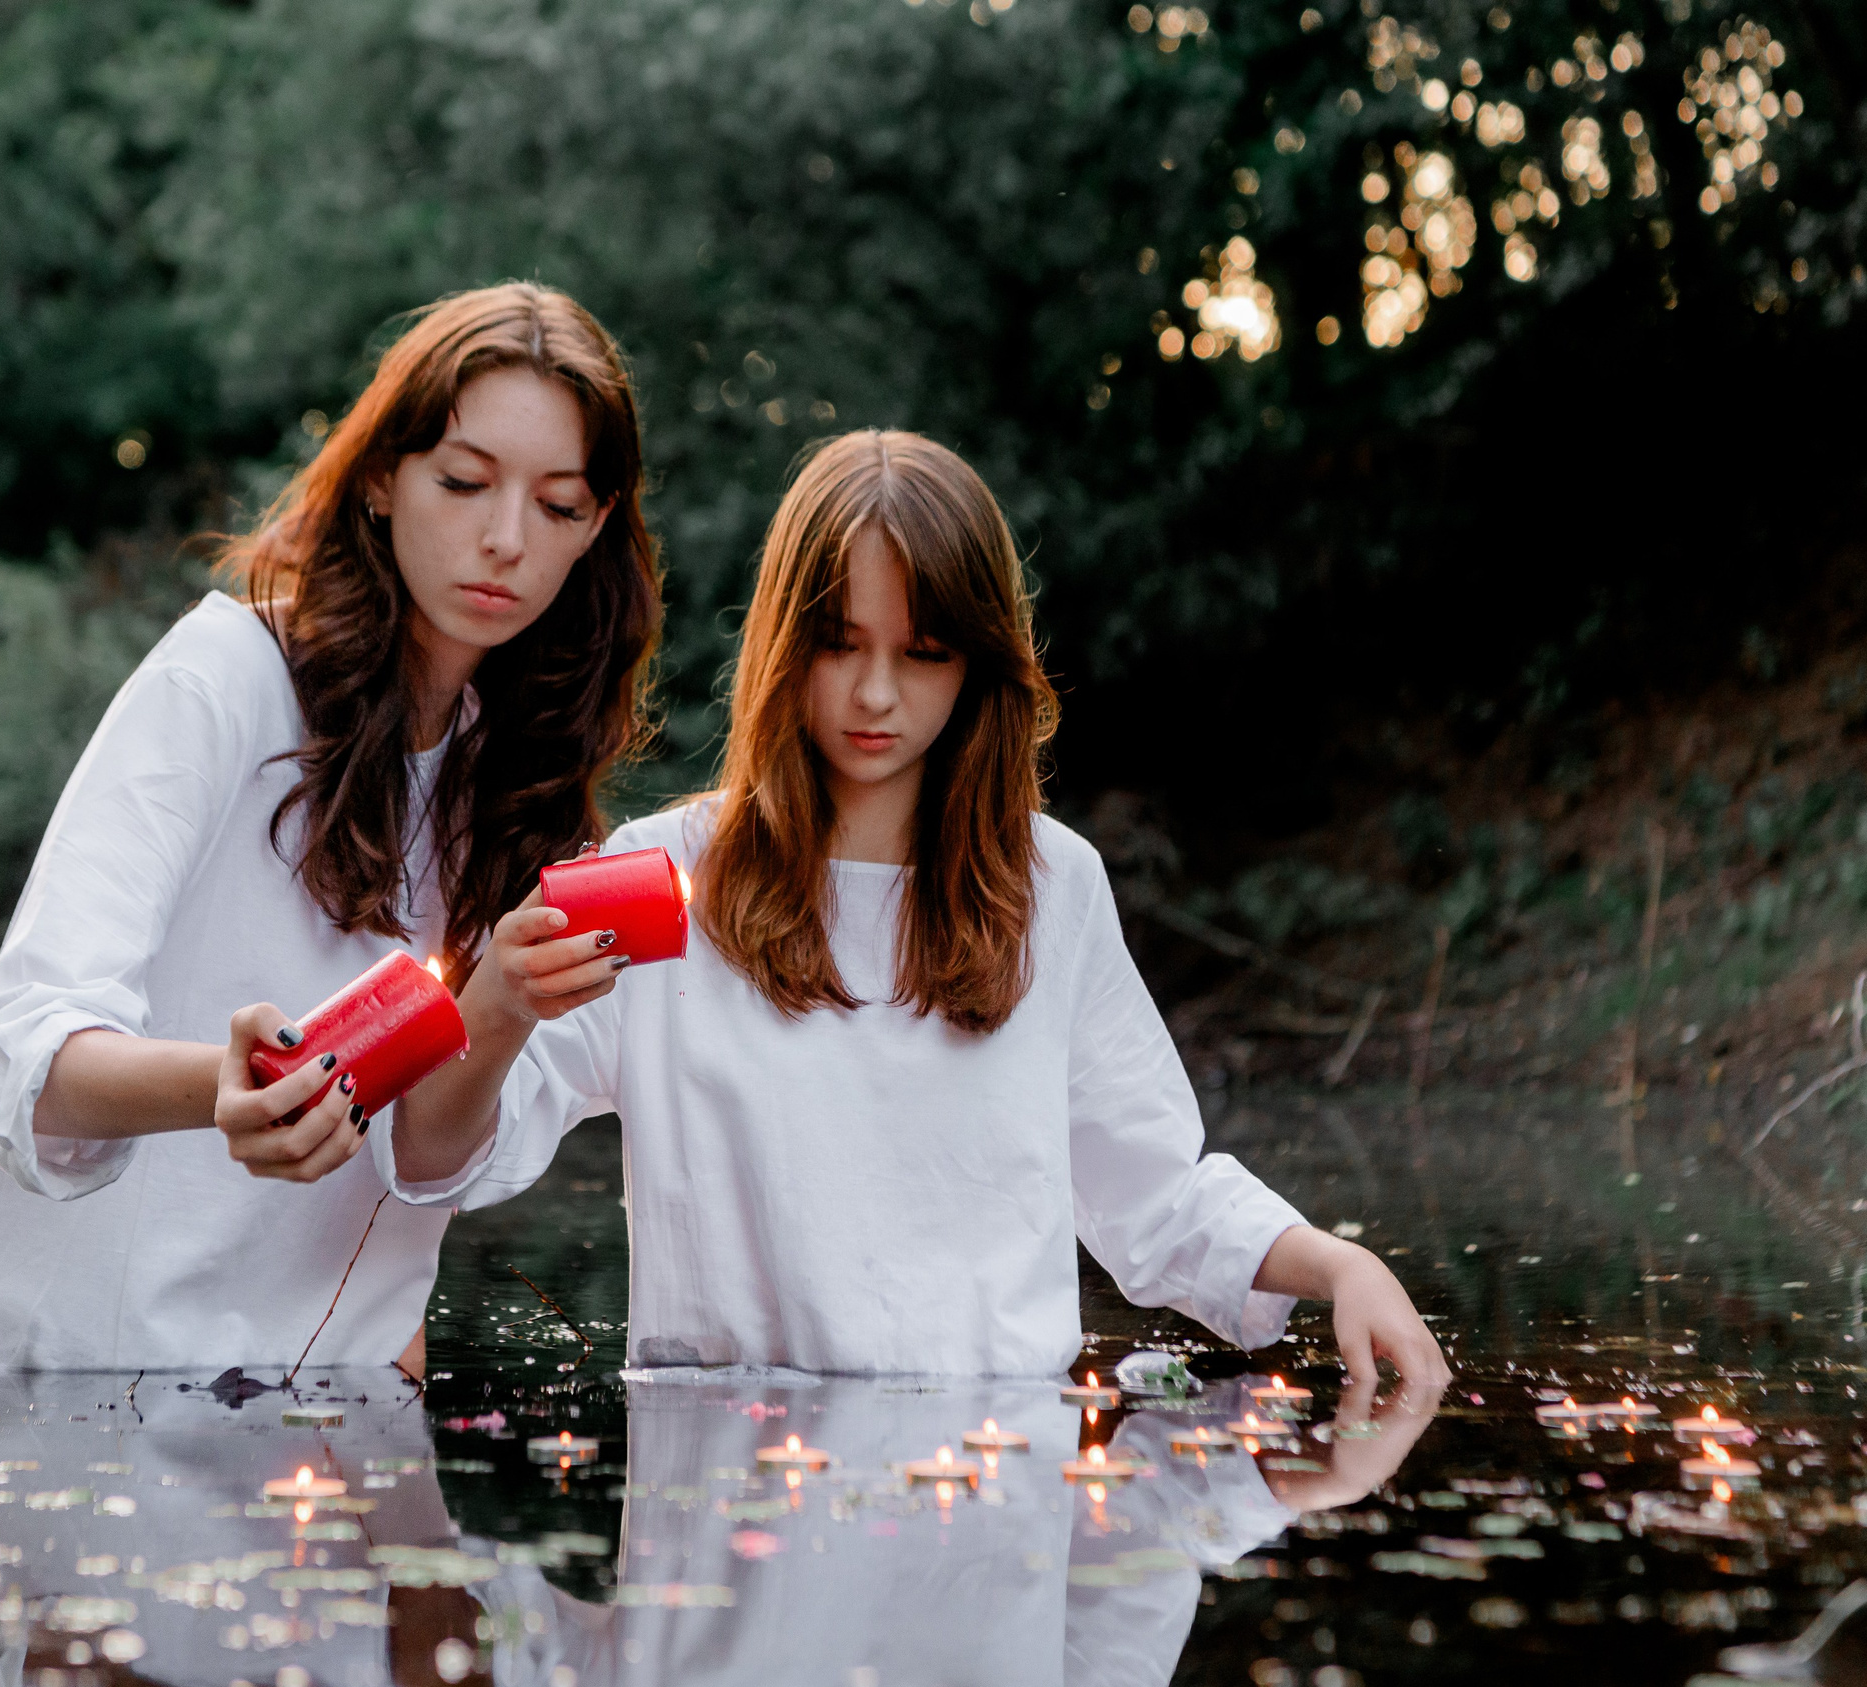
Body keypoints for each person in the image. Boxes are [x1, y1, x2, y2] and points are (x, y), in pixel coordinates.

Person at [383, 430, 1446, 1389]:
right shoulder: (657, 879)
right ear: (783, 644)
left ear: (979, 661)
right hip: (727, 1488)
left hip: (997, 1477)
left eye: (922, 651)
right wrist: (498, 1003)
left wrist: (1341, 1265)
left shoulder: (1052, 885)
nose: (876, 694)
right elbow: (438, 1160)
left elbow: (1155, 1197)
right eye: (840, 643)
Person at [0, 283, 662, 1377]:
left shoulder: (521, 783)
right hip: (23, 1373)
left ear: (596, 527)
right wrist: (225, 1085)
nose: (505, 539)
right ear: (381, 477)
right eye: (464, 482)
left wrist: (502, 1002)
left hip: (286, 1401)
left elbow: (428, 1156)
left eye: (558, 506)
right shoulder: (225, 676)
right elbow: (28, 1052)